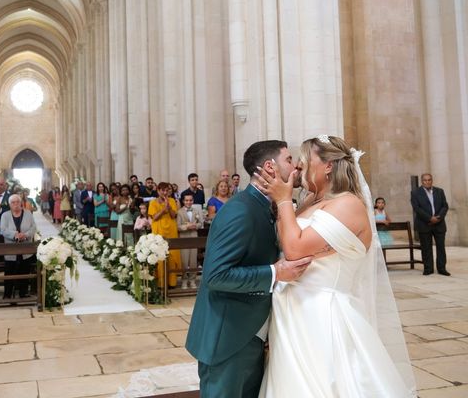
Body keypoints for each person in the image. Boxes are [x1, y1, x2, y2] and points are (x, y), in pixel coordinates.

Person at [254, 135, 416, 397]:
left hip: (321, 315)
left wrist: (284, 200)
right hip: (293, 312)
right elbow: (286, 241)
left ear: (328, 165)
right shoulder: (311, 201)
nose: (299, 166)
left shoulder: (348, 204)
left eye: (306, 159)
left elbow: (294, 249)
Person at [185, 141, 311, 397]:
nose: (296, 165)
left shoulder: (264, 206)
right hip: (228, 337)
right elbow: (216, 276)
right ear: (269, 167)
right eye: (289, 159)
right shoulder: (240, 210)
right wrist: (276, 273)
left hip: (249, 332)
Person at [411, 173, 450, 276]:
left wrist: (439, 217)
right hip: (424, 224)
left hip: (439, 223)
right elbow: (417, 208)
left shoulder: (439, 191)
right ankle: (428, 268)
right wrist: (429, 218)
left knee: (441, 247)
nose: (427, 182)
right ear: (421, 181)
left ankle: (442, 268)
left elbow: (445, 206)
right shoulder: (415, 193)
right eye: (425, 180)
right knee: (426, 248)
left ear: (432, 180)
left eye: (429, 180)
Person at [0, 194, 37, 300]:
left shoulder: (28, 213)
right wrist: (15, 235)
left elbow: (33, 227)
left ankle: (23, 292)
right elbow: (3, 229)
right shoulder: (5, 215)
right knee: (9, 271)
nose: (16, 204)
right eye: (13, 202)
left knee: (24, 270)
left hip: (25, 248)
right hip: (11, 249)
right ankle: (7, 293)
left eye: (17, 202)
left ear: (21, 203)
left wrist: (25, 235)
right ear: (9, 204)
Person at [148, 182, 180, 288]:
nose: (165, 193)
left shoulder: (171, 201)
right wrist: (163, 209)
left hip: (171, 230)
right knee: (160, 256)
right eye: (163, 190)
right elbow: (155, 217)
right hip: (159, 231)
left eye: (167, 190)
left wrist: (169, 207)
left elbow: (173, 215)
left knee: (172, 256)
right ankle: (160, 283)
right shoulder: (153, 202)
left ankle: (172, 283)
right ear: (158, 191)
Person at [176, 194, 204, 289]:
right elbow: (178, 226)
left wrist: (195, 226)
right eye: (186, 200)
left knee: (193, 260)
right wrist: (186, 227)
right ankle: (184, 280)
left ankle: (192, 280)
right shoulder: (179, 212)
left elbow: (200, 223)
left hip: (193, 237)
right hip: (183, 238)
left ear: (193, 201)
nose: (188, 202)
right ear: (183, 201)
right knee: (184, 260)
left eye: (190, 200)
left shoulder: (196, 211)